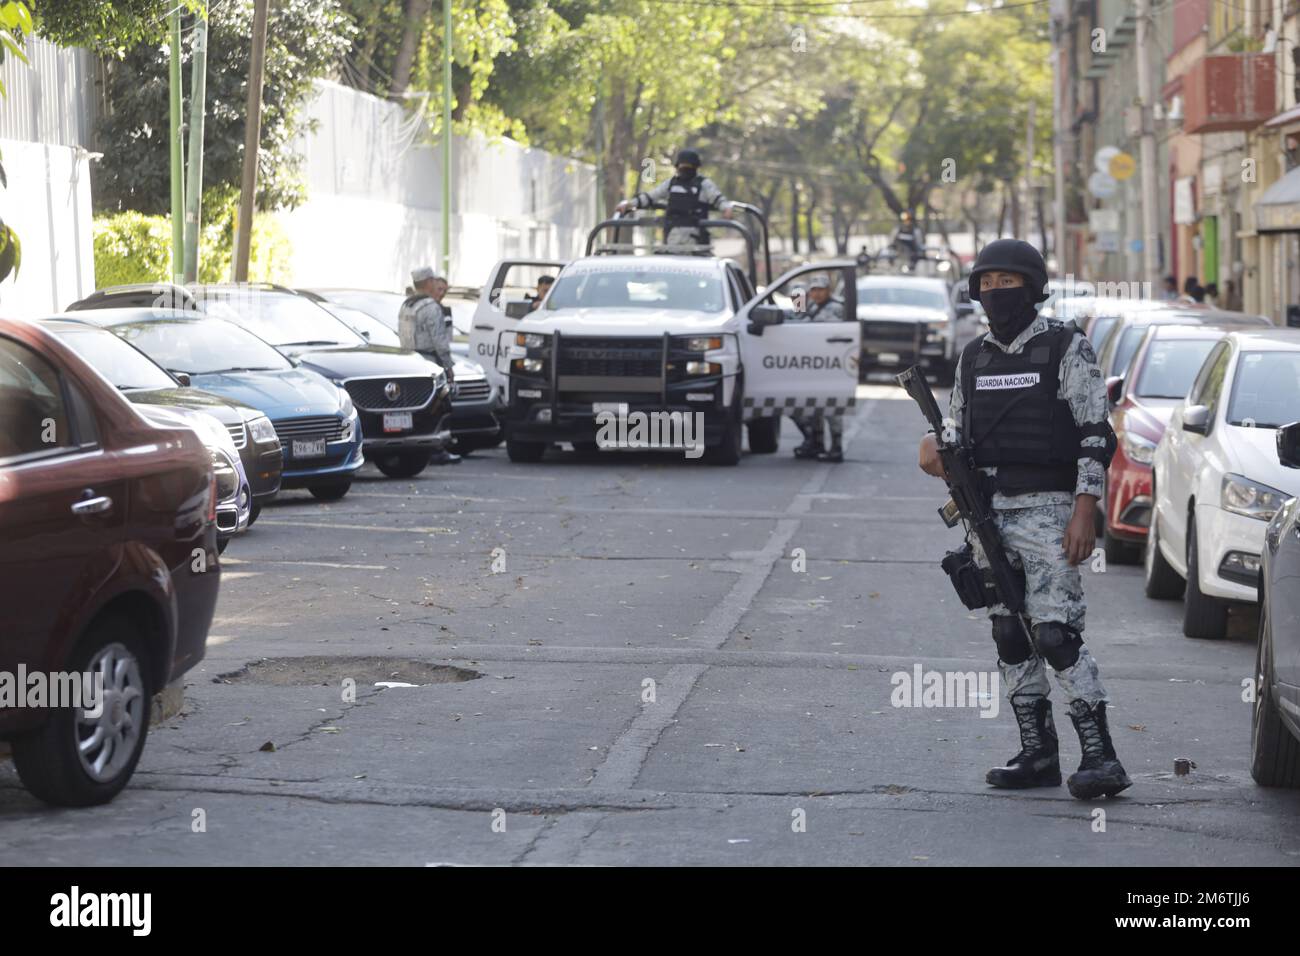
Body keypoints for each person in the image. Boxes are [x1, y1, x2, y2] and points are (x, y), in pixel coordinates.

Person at [916, 238, 1131, 801]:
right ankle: (1037, 754)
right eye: (986, 284)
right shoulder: (973, 357)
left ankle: (1101, 757)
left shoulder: (1066, 346)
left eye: (1007, 282)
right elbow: (957, 432)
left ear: (1032, 287)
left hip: (1052, 509)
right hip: (988, 514)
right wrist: (933, 446)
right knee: (1010, 632)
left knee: (1056, 634)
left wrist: (1086, 508)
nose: (995, 292)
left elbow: (1094, 434)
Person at [399, 266, 460, 464]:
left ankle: (419, 448)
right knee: (436, 407)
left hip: (410, 362)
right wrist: (448, 366)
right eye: (433, 280)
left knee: (416, 408)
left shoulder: (407, 305)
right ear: (427, 283)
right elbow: (440, 341)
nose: (436, 283)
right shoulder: (431, 307)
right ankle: (436, 449)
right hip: (429, 364)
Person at [615, 148, 734, 250]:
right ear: (677, 167)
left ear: (696, 167)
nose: (684, 170)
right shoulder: (671, 184)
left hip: (696, 241)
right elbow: (651, 196)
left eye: (688, 167)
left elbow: (718, 199)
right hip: (672, 237)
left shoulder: (704, 184)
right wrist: (629, 204)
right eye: (682, 167)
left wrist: (727, 208)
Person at [792, 275, 847, 463]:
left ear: (828, 290)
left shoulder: (836, 308)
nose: (816, 293)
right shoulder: (813, 307)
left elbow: (817, 330)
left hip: (831, 364)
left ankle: (836, 448)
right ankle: (816, 443)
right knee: (812, 406)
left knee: (831, 407)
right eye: (813, 290)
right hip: (814, 364)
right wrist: (797, 304)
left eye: (820, 289)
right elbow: (797, 322)